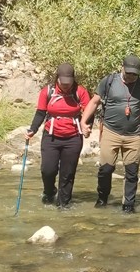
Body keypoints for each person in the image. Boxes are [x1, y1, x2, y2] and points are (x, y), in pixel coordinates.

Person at [81, 54, 140, 213]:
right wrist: (83, 122)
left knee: (132, 172)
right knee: (105, 170)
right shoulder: (109, 81)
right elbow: (94, 102)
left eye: (135, 74)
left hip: (133, 136)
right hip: (110, 132)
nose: (131, 76)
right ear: (122, 68)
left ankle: (128, 206)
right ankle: (102, 198)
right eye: (129, 73)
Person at [25, 63, 91, 208]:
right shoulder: (48, 91)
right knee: (47, 170)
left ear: (73, 79)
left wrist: (87, 125)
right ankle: (49, 191)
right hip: (51, 136)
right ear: (57, 78)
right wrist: (33, 129)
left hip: (73, 137)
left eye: (69, 83)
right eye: (63, 83)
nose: (66, 86)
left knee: (67, 173)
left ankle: (63, 204)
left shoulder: (80, 92)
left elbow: (89, 112)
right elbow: (40, 113)